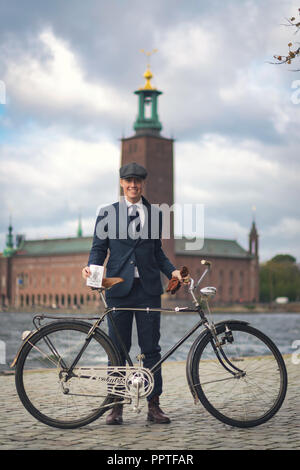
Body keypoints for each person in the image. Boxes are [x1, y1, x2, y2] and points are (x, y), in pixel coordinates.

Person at [82, 162, 184, 425]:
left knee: (151, 349)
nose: (133, 185)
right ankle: (116, 406)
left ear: (142, 183)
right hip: (118, 290)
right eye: (128, 180)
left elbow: (157, 252)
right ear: (121, 183)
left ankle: (154, 406)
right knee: (117, 350)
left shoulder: (155, 214)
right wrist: (91, 271)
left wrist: (172, 271)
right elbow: (98, 249)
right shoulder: (107, 214)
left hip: (149, 290)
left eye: (137, 181)